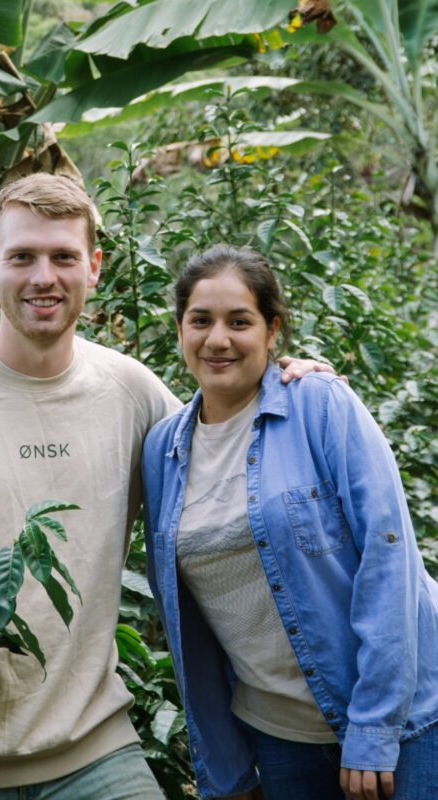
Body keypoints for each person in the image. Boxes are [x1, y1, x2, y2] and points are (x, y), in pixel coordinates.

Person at [0, 177, 332, 800]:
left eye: (64, 257)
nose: (44, 276)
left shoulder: (131, 393)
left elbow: (228, 451)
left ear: (94, 268)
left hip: (96, 751)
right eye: (23, 257)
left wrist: (288, 384)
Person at [141, 243, 438, 800]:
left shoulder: (318, 404)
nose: (218, 339)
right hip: (279, 737)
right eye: (200, 320)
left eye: (240, 321)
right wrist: (224, 769)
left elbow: (388, 556)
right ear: (180, 328)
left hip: (404, 720)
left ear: (272, 330)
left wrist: (372, 729)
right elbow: (185, 627)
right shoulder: (163, 450)